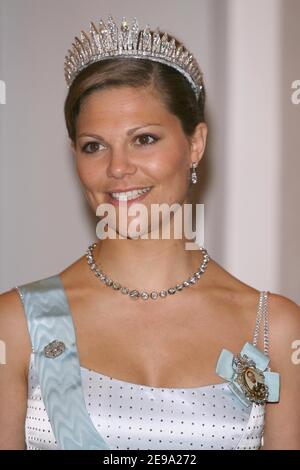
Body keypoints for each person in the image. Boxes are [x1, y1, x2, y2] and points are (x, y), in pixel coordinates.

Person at [0, 15, 299, 451]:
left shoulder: (275, 329)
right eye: (94, 145)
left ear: (195, 143)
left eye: (144, 139)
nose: (117, 168)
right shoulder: (20, 325)